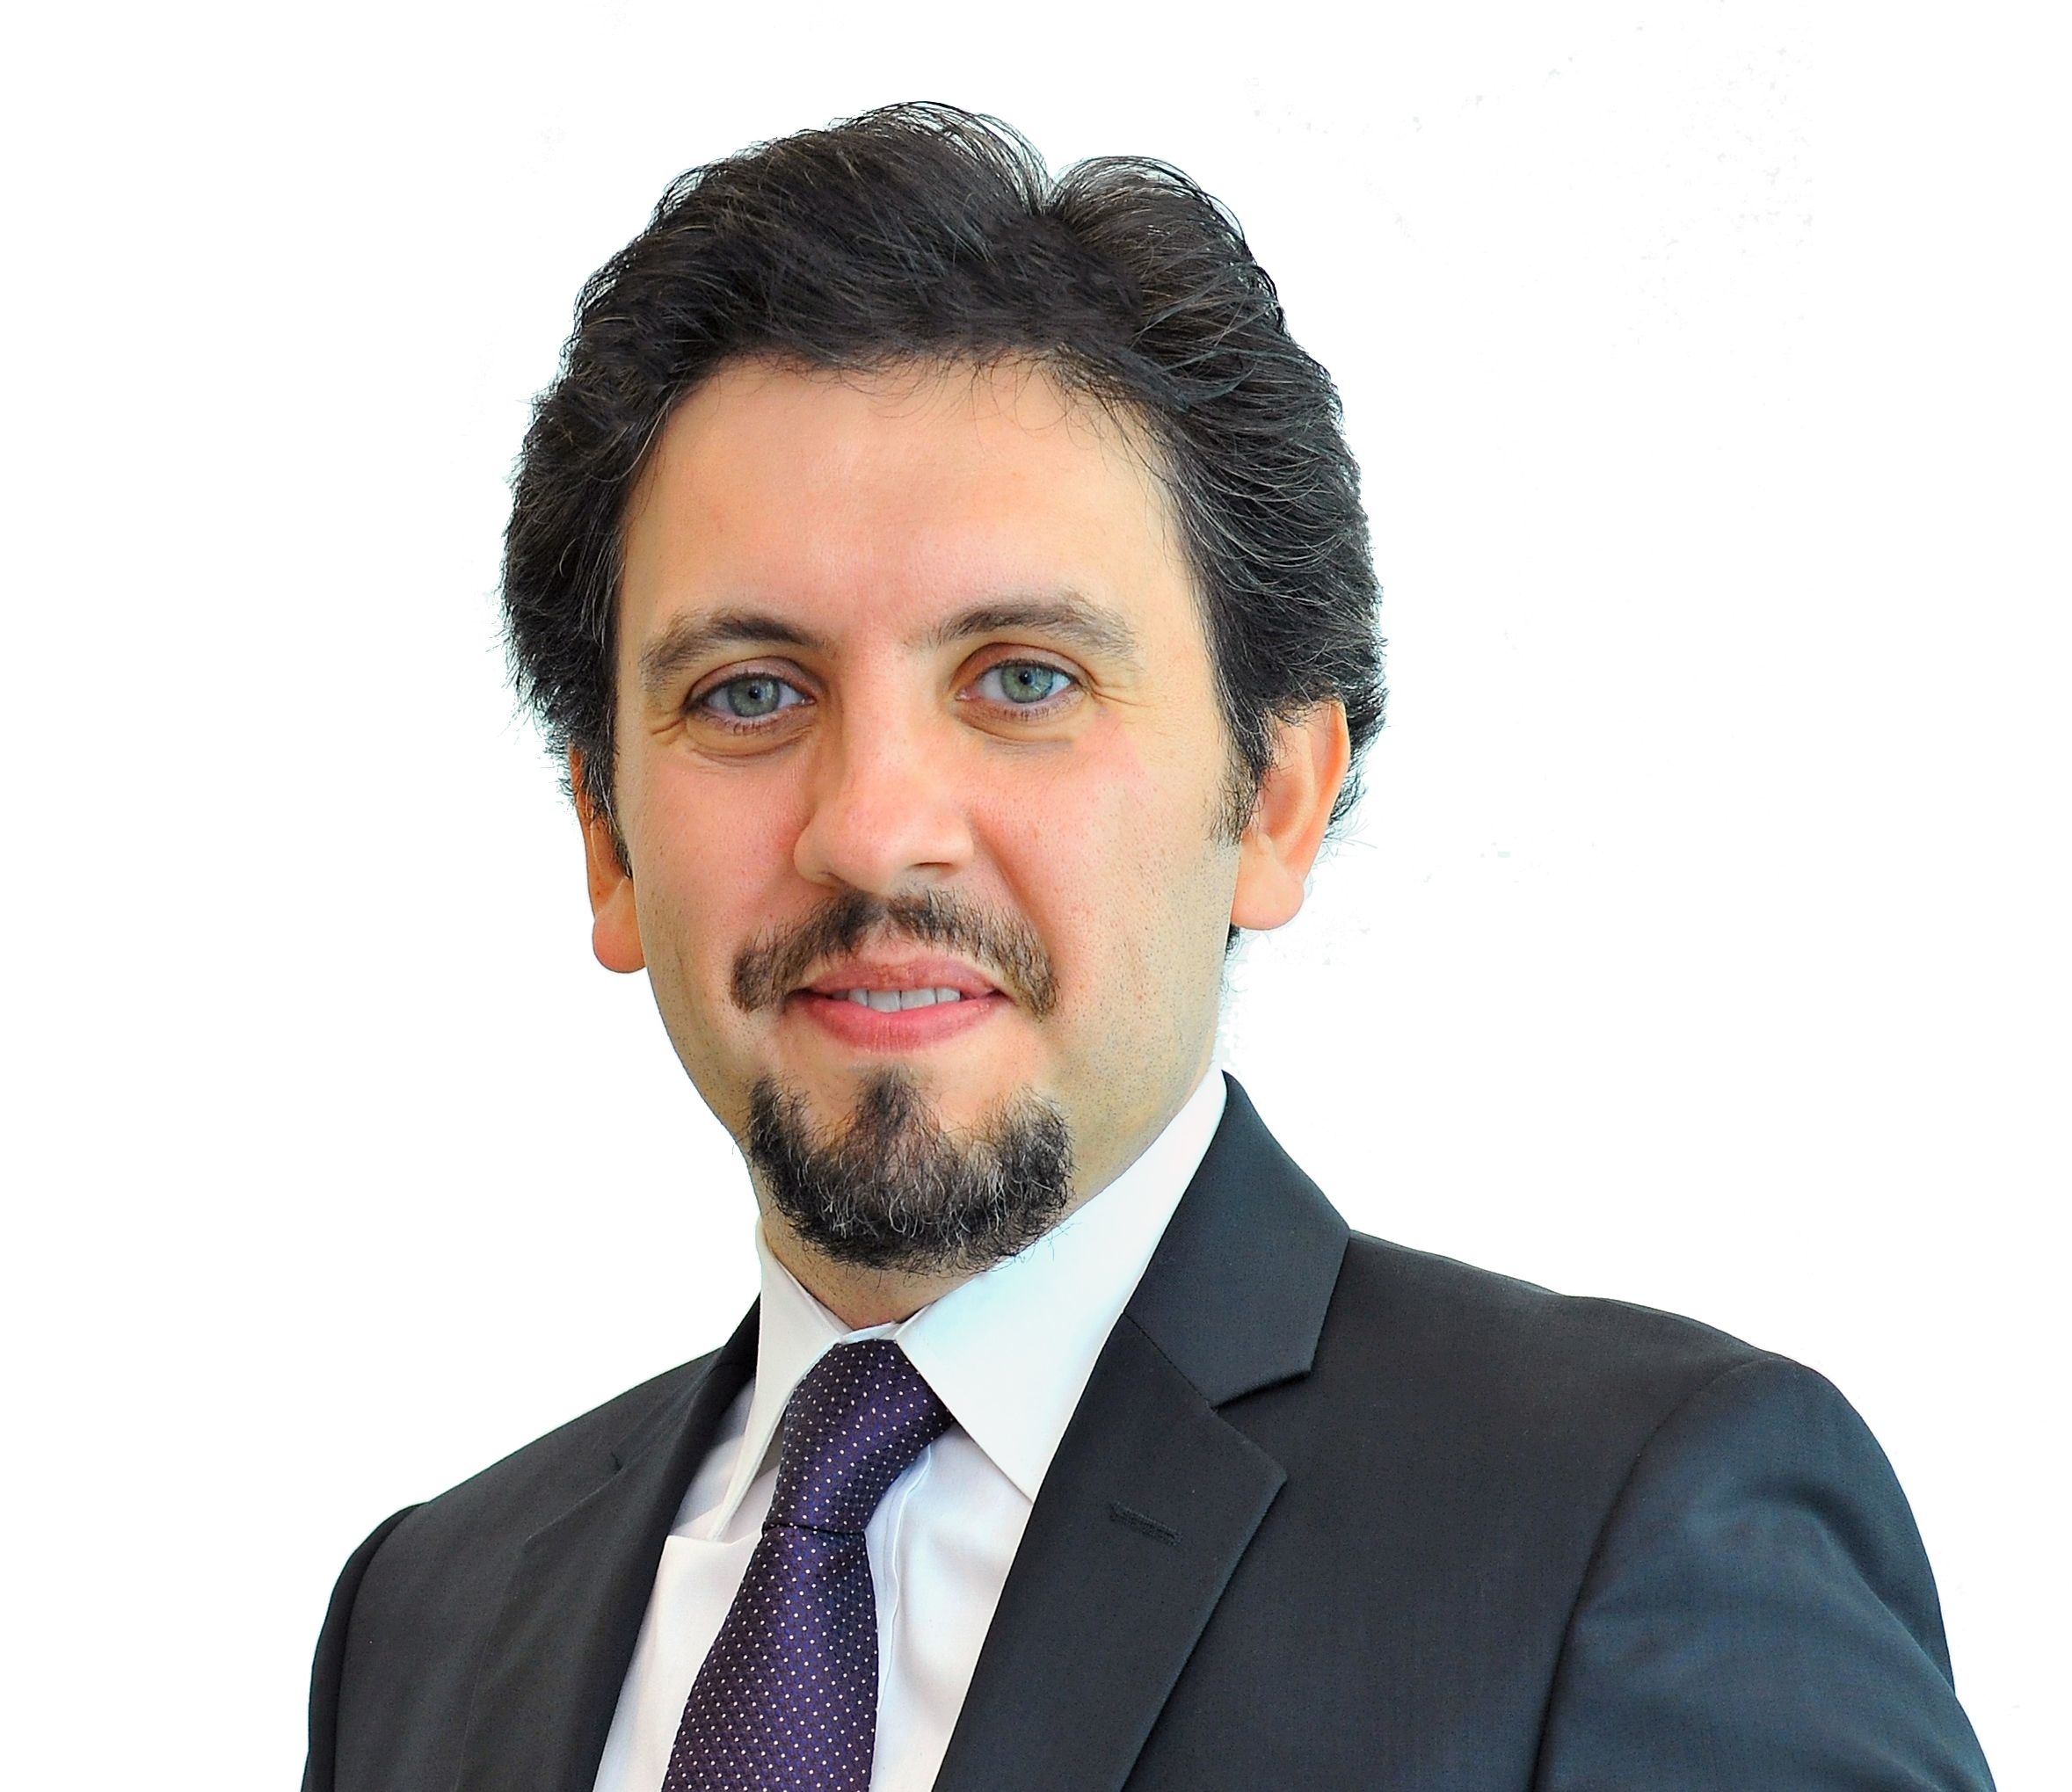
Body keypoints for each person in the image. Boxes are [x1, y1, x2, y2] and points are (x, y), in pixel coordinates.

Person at [302, 103, 1995, 1791]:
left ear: (1273, 799)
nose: (873, 829)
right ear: (605, 835)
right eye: (749, 694)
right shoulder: (428, 1623)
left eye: (1023, 679)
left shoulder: (1626, 1536)